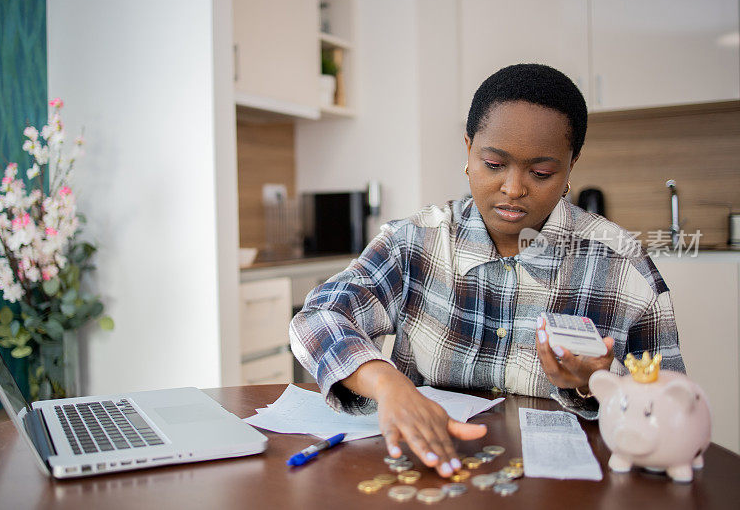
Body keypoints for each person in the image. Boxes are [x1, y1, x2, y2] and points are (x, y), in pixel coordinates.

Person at [289, 63, 685, 479]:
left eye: (542, 172)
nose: (513, 188)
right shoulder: (416, 241)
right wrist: (388, 385)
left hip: (569, 489)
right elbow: (318, 318)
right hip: (430, 474)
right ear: (468, 151)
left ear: (572, 166)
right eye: (494, 163)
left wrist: (598, 382)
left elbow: (675, 407)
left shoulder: (623, 266)